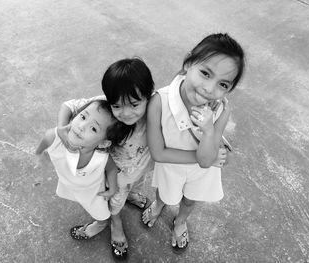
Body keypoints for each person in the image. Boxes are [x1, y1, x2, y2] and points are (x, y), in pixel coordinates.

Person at [142, 33, 245, 252]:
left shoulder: (221, 111)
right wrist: (205, 157)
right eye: (205, 73)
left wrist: (209, 132)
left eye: (223, 84)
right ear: (188, 63)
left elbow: (206, 162)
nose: (209, 88)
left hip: (202, 171)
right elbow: (158, 154)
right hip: (170, 166)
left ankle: (180, 221)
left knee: (190, 200)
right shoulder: (160, 101)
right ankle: (159, 204)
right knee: (164, 193)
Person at [57, 58, 155, 259]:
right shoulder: (106, 103)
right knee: (111, 203)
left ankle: (130, 196)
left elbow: (184, 121)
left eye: (134, 104)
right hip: (111, 175)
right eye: (117, 106)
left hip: (139, 170)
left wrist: (213, 136)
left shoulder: (157, 109)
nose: (125, 113)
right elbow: (69, 105)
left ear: (149, 95)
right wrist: (62, 128)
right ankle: (114, 225)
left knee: (134, 187)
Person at [36, 100, 129, 241]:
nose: (81, 126)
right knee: (80, 201)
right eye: (83, 117)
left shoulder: (101, 157)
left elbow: (111, 169)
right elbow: (44, 143)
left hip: (94, 193)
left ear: (103, 143)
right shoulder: (54, 138)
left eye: (93, 129)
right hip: (70, 185)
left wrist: (112, 188)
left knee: (101, 213)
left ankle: (101, 224)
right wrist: (40, 154)